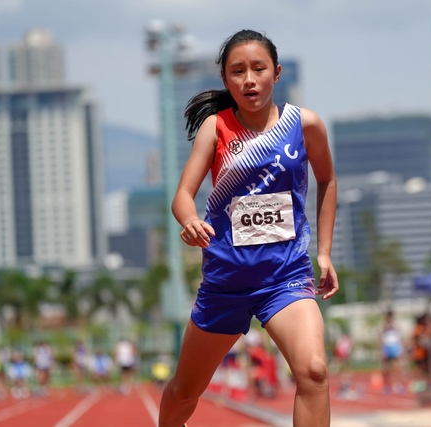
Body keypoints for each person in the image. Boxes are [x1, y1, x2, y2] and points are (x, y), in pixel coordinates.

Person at [158, 29, 339, 427]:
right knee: (184, 391)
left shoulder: (305, 125)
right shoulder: (215, 128)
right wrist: (190, 220)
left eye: (259, 69)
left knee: (314, 372)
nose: (249, 80)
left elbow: (327, 180)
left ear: (277, 72)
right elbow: (183, 195)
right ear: (226, 79)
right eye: (237, 71)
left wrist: (324, 252)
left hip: (285, 277)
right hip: (226, 283)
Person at [380, 311, 403, 395]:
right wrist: (381, 350)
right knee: (386, 368)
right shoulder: (383, 326)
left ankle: (398, 385)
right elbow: (380, 338)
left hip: (395, 347)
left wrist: (401, 349)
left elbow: (400, 338)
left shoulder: (396, 325)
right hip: (387, 347)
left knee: (397, 367)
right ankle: (387, 386)